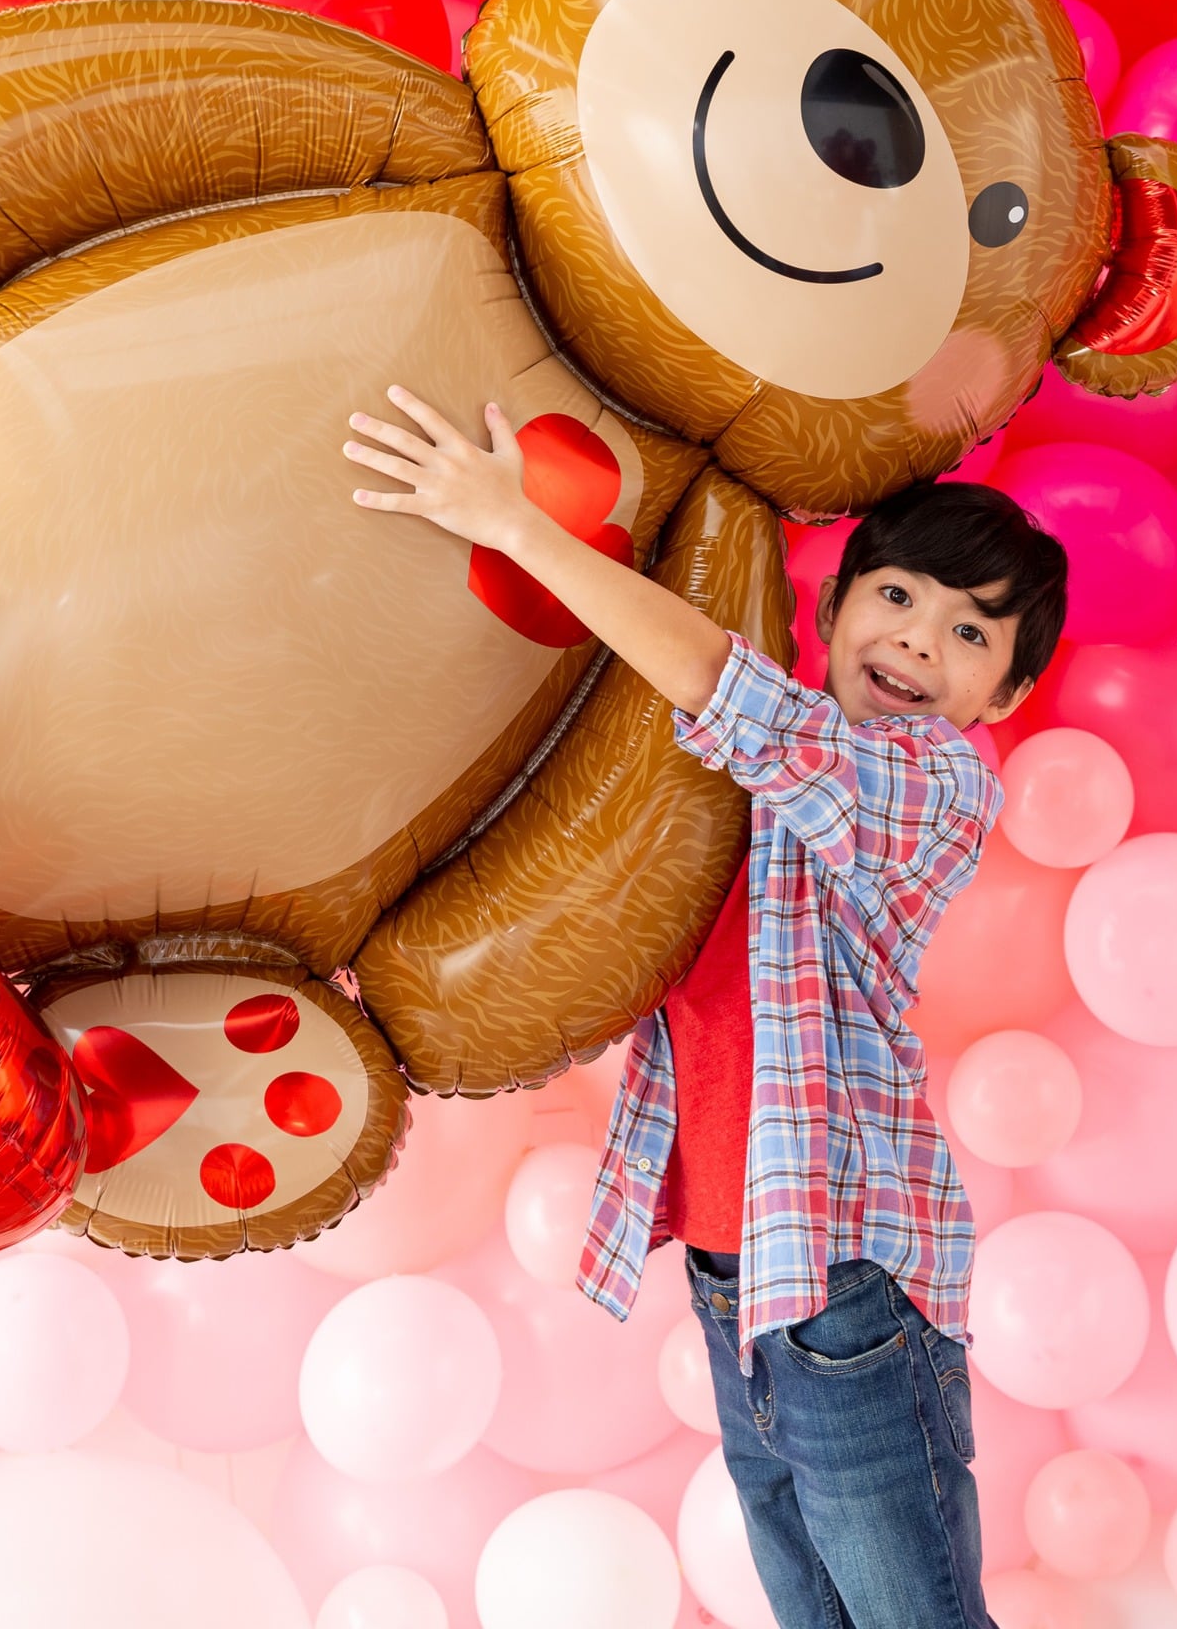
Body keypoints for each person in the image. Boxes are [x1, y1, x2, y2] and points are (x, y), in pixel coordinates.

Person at [344, 387, 1068, 1629]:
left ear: (1002, 695)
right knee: (810, 1609)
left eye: (967, 632)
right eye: (896, 596)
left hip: (846, 1275)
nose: (915, 642)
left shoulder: (935, 782)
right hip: (743, 1267)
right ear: (830, 609)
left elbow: (724, 688)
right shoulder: (761, 771)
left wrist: (514, 524)